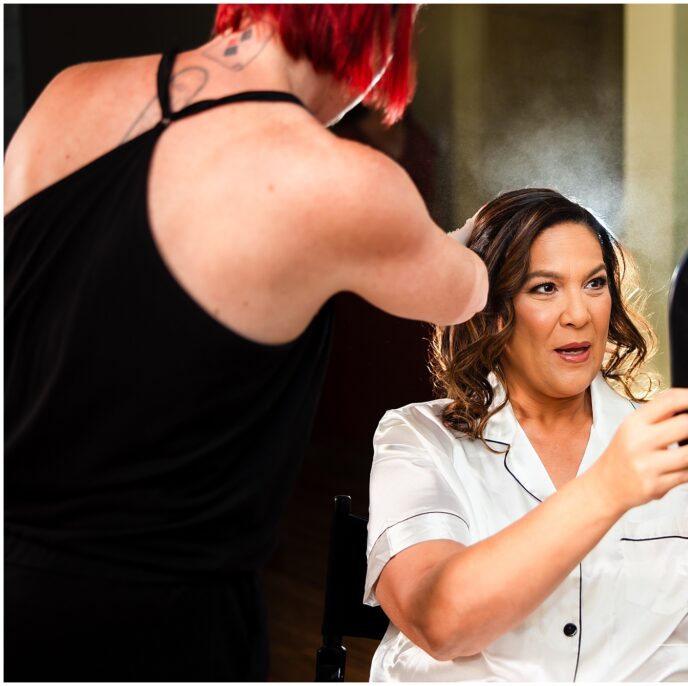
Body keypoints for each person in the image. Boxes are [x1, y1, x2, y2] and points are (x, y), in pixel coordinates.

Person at [4, 5, 487, 681]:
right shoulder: (336, 178)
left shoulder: (67, 93)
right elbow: (467, 291)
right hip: (165, 631)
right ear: (376, 26)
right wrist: (498, 230)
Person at [363, 188, 688, 680]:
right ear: (492, 311)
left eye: (595, 283)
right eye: (544, 288)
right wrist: (609, 487)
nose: (579, 314)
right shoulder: (418, 439)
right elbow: (440, 624)